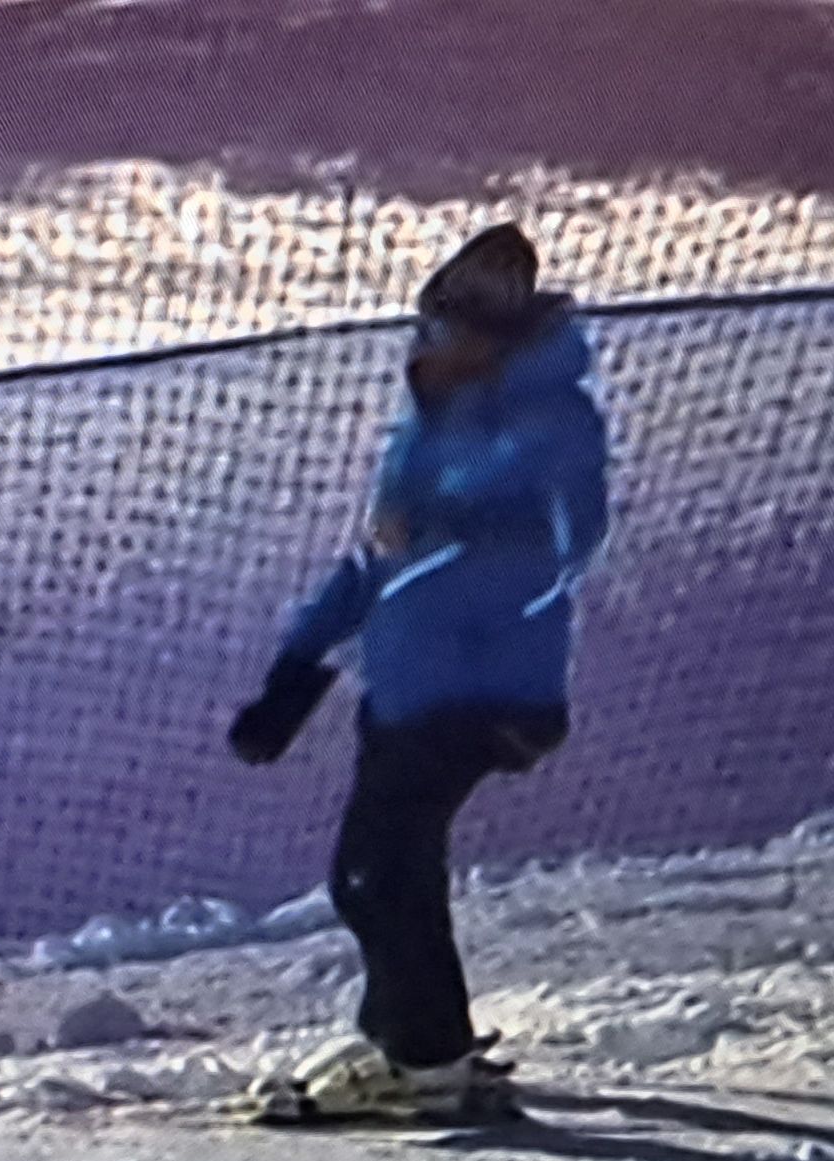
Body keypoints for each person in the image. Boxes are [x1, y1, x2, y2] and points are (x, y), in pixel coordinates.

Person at [226, 223, 611, 1116]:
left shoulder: (552, 422)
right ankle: (406, 1037)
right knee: (385, 870)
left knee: (377, 871)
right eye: (426, 329)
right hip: (402, 688)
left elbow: (570, 544)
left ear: (494, 341)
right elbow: (375, 558)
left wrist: (455, 537)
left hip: (485, 691)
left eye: (447, 334)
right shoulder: (423, 430)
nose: (426, 350)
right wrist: (296, 668)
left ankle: (425, 1052)